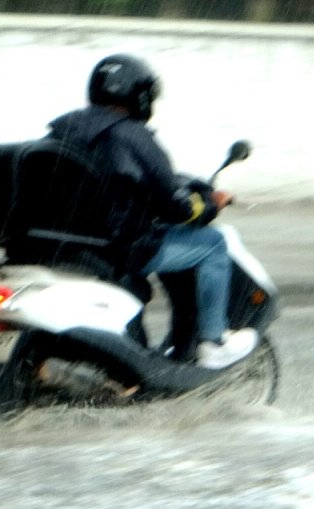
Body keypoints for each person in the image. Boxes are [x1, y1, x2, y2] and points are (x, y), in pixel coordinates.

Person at [46, 53, 256, 369]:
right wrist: (211, 204)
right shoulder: (133, 136)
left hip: (75, 242)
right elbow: (177, 204)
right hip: (123, 246)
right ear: (137, 94)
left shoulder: (64, 129)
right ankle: (213, 342)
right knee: (213, 244)